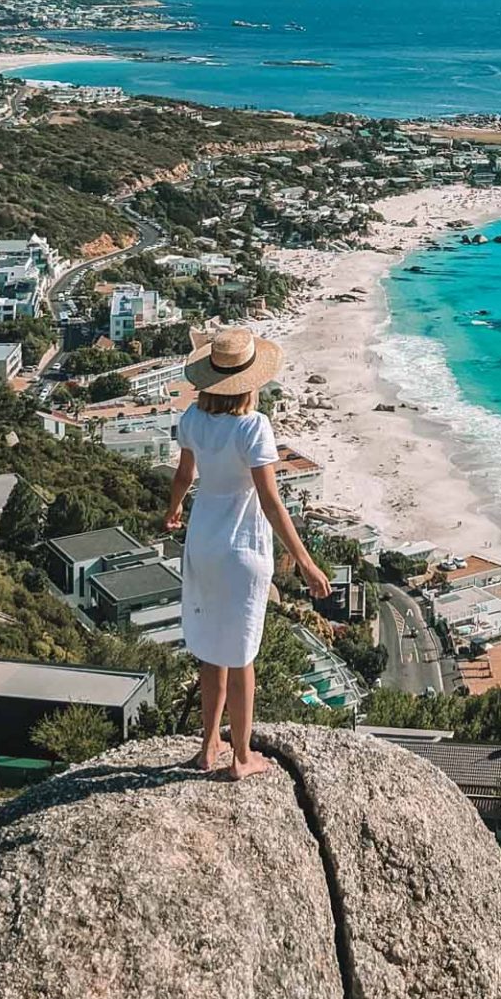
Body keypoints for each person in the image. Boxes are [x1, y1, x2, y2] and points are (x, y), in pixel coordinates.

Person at [165, 326, 330, 778]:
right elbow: (272, 503)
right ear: (250, 381)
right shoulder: (253, 427)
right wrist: (307, 563)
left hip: (202, 542)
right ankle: (241, 757)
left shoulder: (193, 419)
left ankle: (207, 747)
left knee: (210, 650)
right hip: (241, 545)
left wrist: (173, 511)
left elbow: (183, 477)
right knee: (241, 655)